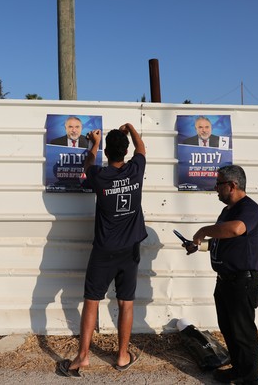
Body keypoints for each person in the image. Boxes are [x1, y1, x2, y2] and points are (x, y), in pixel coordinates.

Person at [58, 123, 147, 378]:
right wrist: (130, 127)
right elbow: (142, 148)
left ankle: (83, 357)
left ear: (108, 153)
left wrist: (94, 144)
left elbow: (87, 164)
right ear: (126, 151)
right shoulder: (136, 170)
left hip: (104, 251)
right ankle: (122, 356)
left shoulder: (99, 175)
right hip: (130, 251)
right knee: (126, 303)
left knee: (91, 302)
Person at [183, 165, 258, 385]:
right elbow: (224, 241)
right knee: (230, 330)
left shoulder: (250, 209)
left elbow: (237, 229)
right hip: (225, 282)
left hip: (242, 282)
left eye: (219, 184)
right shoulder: (227, 211)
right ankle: (238, 371)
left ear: (232, 185)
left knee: (244, 335)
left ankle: (251, 380)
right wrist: (197, 245)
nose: (216, 189)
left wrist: (202, 231)